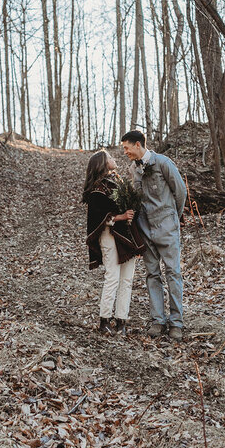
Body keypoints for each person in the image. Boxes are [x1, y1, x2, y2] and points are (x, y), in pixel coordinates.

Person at [120, 130, 187, 341]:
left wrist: (173, 218)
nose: (125, 152)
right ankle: (158, 320)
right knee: (152, 275)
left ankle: (176, 323)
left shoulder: (163, 162)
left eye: (126, 147)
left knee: (173, 273)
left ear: (138, 145)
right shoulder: (134, 169)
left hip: (167, 227)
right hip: (145, 229)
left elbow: (181, 191)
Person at [82, 150, 145, 335]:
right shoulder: (97, 189)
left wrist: (131, 213)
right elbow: (97, 217)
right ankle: (104, 321)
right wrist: (120, 216)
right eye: (110, 157)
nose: (114, 159)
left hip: (127, 235)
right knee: (113, 278)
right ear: (102, 163)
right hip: (109, 236)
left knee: (127, 279)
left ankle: (121, 321)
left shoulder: (119, 183)